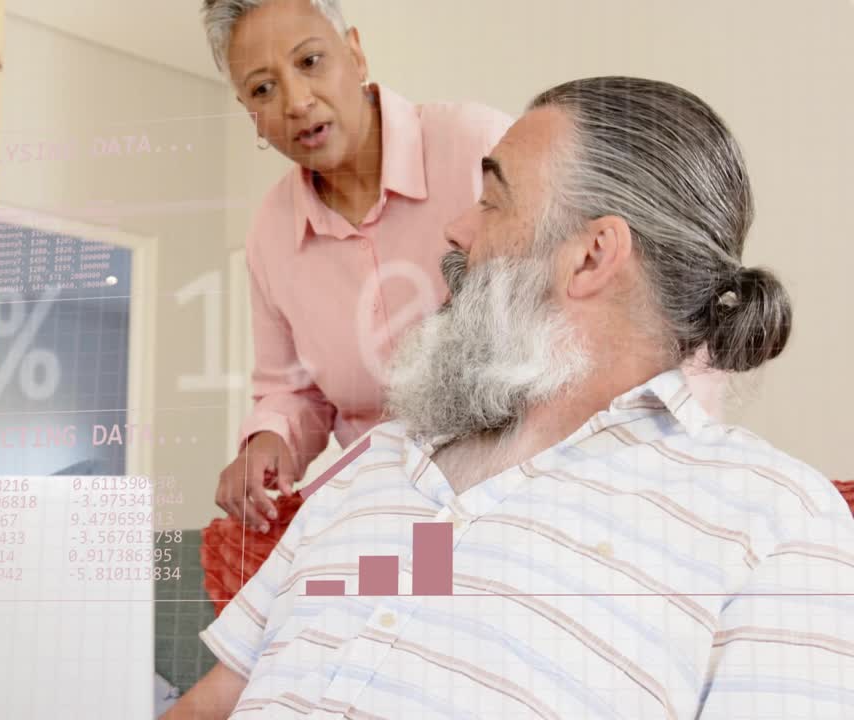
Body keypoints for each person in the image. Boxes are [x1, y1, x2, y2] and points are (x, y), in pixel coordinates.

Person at [163, 76, 854, 719]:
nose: (457, 229)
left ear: (590, 256)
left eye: (493, 200)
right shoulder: (384, 455)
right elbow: (218, 696)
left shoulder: (776, 524)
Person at [200, 0, 723, 536]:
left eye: (310, 62)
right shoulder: (270, 231)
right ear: (248, 111)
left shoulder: (478, 144)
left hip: (526, 495)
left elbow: (620, 296)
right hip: (387, 511)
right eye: (263, 89)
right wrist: (270, 439)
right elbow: (292, 390)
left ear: (355, 54)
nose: (297, 101)